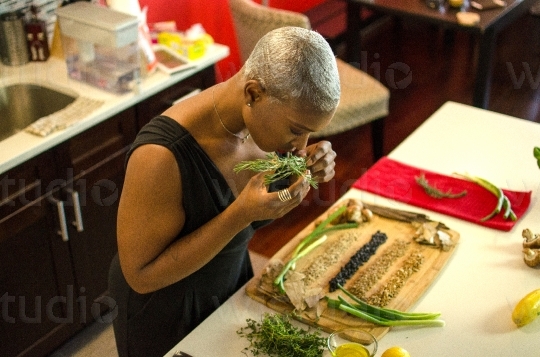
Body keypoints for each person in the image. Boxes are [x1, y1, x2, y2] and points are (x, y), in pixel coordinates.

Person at [108, 26, 341, 357]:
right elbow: (141, 276)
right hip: (165, 314)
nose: (300, 145)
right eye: (296, 130)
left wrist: (301, 173)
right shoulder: (160, 156)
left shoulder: (260, 127)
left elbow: (249, 220)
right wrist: (240, 214)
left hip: (230, 286)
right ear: (252, 93)